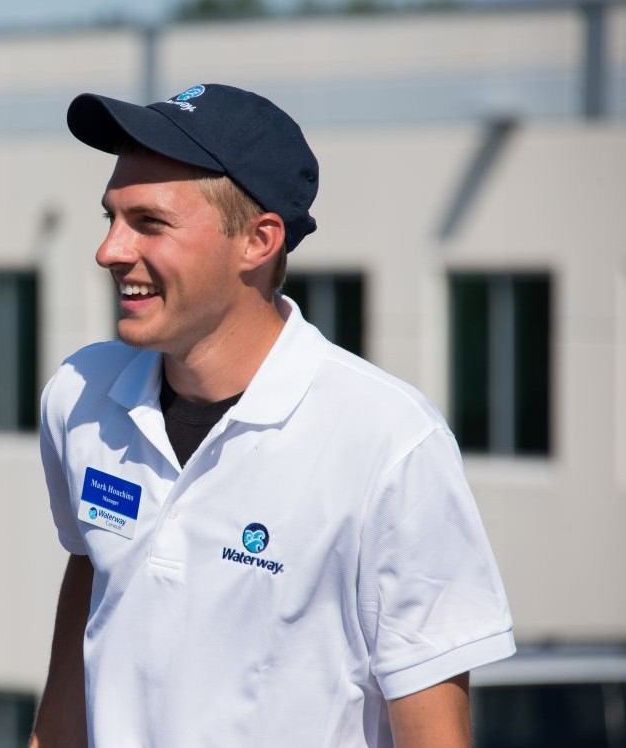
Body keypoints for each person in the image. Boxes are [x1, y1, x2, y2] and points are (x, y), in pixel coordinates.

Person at [31, 83, 515, 747]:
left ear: (259, 241)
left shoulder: (389, 442)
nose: (109, 250)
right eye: (110, 217)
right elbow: (93, 570)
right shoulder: (79, 395)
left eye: (149, 222)